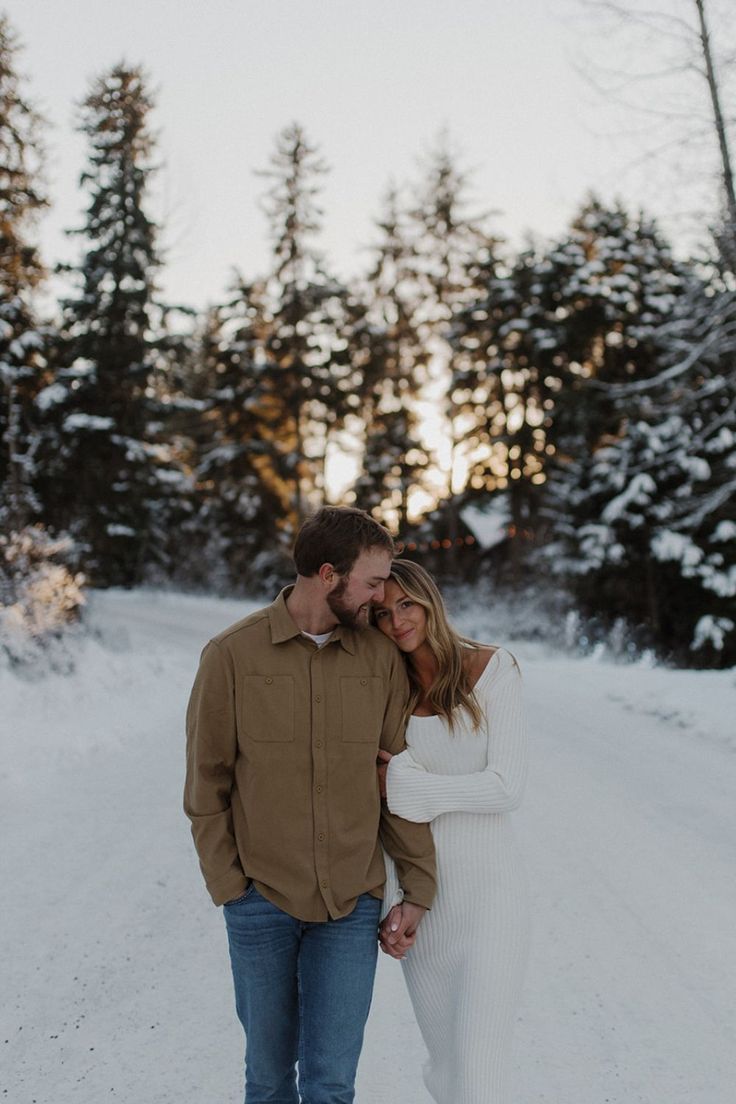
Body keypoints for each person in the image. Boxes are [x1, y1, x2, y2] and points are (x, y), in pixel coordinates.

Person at [183, 508, 436, 1104]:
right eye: (373, 583)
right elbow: (206, 785)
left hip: (351, 904)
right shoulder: (231, 656)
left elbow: (395, 782)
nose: (382, 597)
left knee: (331, 1085)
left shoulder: (378, 659)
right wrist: (231, 889)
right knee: (268, 1082)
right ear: (328, 574)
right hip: (260, 901)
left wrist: (417, 888)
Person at [373, 559, 529, 1104]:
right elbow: (382, 812)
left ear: (429, 600)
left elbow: (506, 787)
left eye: (406, 605)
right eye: (383, 613)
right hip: (429, 906)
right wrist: (399, 899)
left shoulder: (492, 669)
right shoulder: (386, 691)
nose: (397, 622)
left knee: (480, 1075)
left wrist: (411, 786)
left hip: (492, 899)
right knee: (448, 1071)